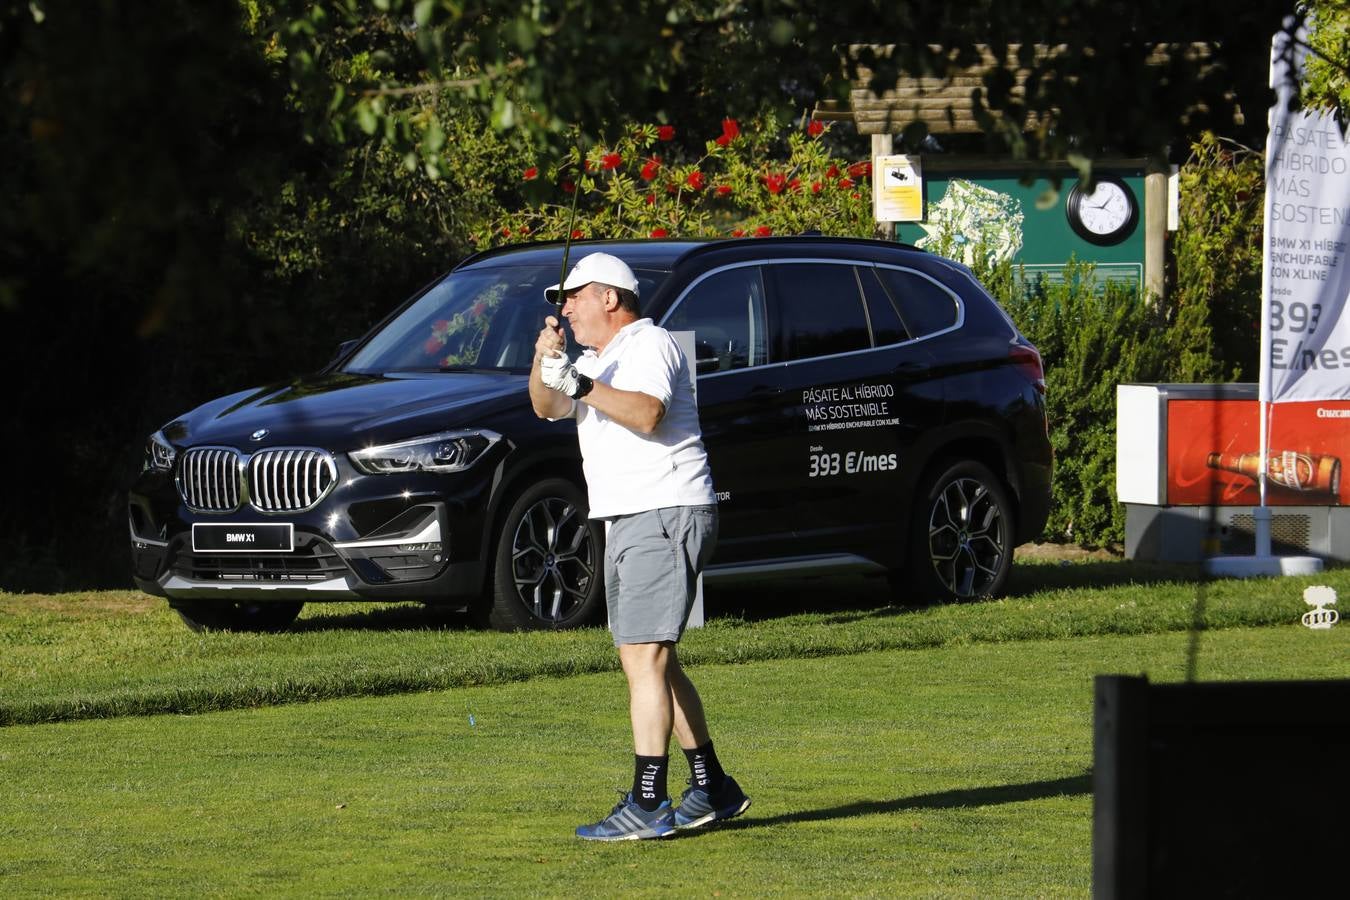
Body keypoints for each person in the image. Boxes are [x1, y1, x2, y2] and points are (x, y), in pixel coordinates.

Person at [529, 251, 751, 841]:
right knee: (656, 659)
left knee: (642, 658)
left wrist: (578, 380)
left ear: (609, 297)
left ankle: (648, 802)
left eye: (574, 295)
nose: (567, 307)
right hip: (631, 517)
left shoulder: (649, 345)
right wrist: (545, 362)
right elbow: (547, 406)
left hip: (663, 509)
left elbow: (648, 414)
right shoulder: (597, 359)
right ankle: (712, 787)